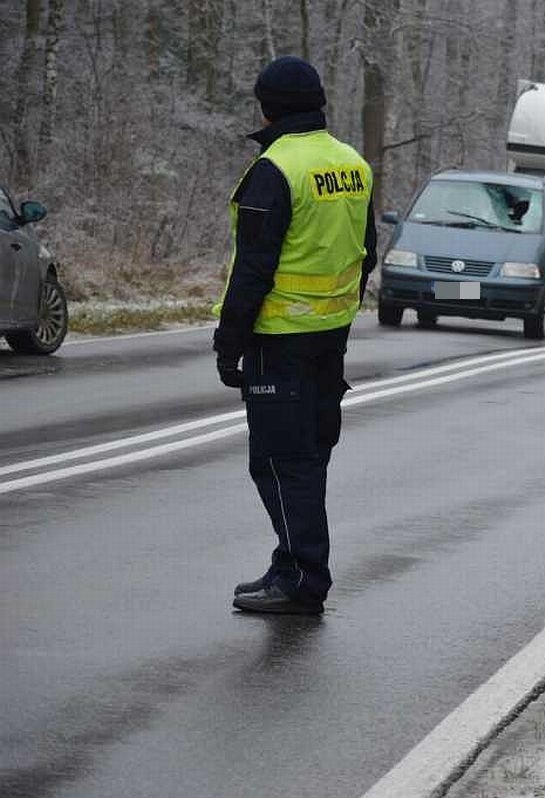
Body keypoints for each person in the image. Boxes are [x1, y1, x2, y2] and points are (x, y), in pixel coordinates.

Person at [213, 55, 377, 615]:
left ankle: (304, 580)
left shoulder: (275, 169)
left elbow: (253, 267)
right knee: (307, 456)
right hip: (330, 337)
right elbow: (367, 250)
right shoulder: (351, 163)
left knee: (282, 463)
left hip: (278, 338)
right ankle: (290, 562)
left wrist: (228, 342)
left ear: (268, 106)